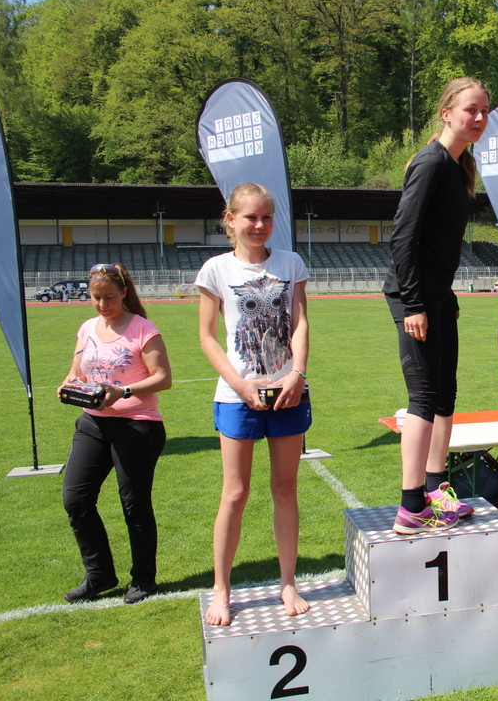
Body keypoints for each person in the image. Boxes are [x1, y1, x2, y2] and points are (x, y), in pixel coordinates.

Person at [196, 182, 312, 625]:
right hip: (237, 396)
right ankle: (221, 589)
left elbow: (299, 322)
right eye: (250, 217)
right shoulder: (215, 270)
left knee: (285, 489)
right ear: (231, 220)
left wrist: (297, 373)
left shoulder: (291, 263)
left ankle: (287, 582)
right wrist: (239, 384)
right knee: (235, 492)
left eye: (266, 217)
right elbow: (207, 336)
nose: (260, 225)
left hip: (288, 392)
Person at [383, 77, 490, 534]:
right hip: (414, 297)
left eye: (485, 111)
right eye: (471, 110)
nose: (479, 118)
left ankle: (436, 491)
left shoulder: (460, 165)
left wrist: (444, 299)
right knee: (424, 398)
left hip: (438, 295)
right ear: (447, 112)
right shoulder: (429, 163)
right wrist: (415, 304)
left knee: (446, 396)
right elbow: (402, 236)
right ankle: (410, 506)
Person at [61, 262, 172, 604]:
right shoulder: (87, 328)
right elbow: (76, 370)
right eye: (95, 297)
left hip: (137, 423)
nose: (102, 304)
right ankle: (100, 576)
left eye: (109, 297)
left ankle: (143, 578)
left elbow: (163, 378)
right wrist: (69, 385)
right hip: (92, 423)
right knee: (76, 500)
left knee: (134, 504)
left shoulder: (143, 329)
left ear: (124, 293)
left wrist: (122, 392)